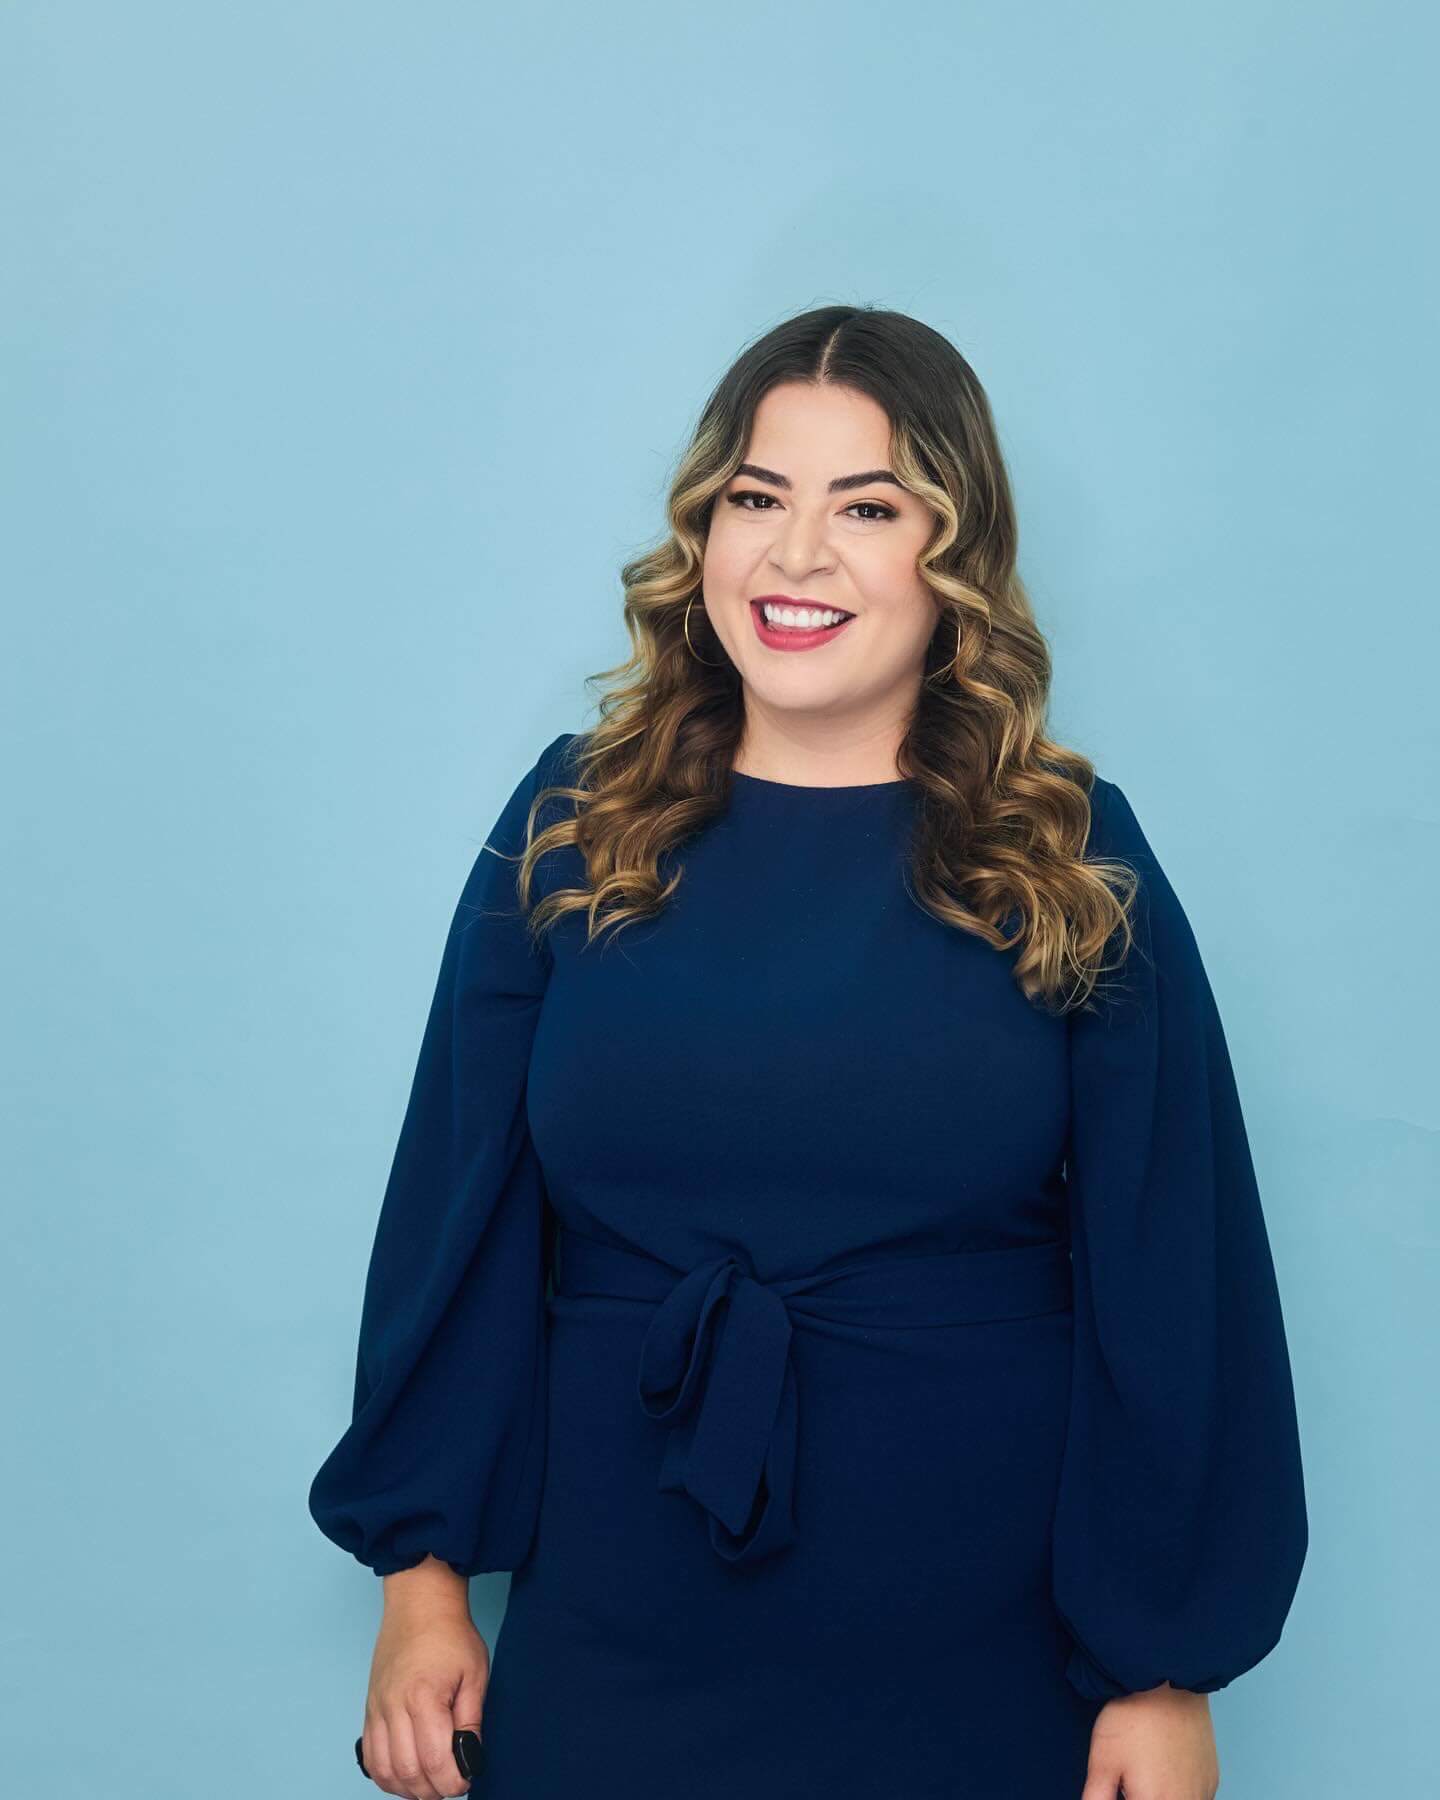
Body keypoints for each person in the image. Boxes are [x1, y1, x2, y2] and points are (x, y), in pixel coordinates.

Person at [308, 304, 1308, 1800]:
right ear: (703, 529)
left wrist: (1161, 1674)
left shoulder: (1069, 854)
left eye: (869, 507)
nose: (795, 557)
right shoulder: (576, 825)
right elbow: (458, 1214)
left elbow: (1175, 1267)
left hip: (981, 1652)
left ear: (950, 554)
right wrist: (422, 1583)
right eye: (757, 499)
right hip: (617, 1632)